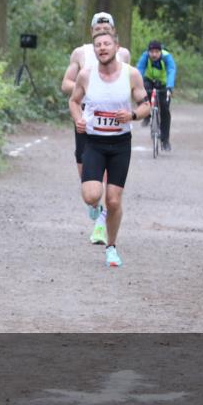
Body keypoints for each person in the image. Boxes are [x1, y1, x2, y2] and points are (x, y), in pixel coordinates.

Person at [69, 31, 150, 268]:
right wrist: (78, 119)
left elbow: (146, 105)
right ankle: (96, 208)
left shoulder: (131, 74)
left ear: (117, 46)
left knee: (114, 201)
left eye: (106, 44)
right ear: (94, 51)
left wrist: (132, 115)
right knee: (91, 195)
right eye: (98, 45)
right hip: (94, 143)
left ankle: (111, 247)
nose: (102, 48)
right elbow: (74, 101)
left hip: (120, 144)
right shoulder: (86, 75)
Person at [61, 12, 131, 246]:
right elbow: (66, 84)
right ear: (92, 32)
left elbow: (125, 83)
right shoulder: (81, 53)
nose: (102, 31)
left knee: (109, 180)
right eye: (98, 28)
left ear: (113, 31)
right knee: (87, 177)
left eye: (106, 28)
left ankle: (103, 221)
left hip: (111, 127)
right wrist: (89, 85)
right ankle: (95, 205)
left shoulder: (122, 54)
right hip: (85, 119)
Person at [136, 39, 177, 151]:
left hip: (164, 84)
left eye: (157, 52)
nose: (154, 54)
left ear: (161, 51)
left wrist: (169, 86)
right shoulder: (145, 57)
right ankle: (146, 115)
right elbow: (139, 70)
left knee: (165, 110)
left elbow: (171, 71)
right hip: (149, 80)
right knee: (141, 93)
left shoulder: (167, 57)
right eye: (151, 52)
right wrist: (137, 84)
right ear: (148, 51)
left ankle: (165, 140)